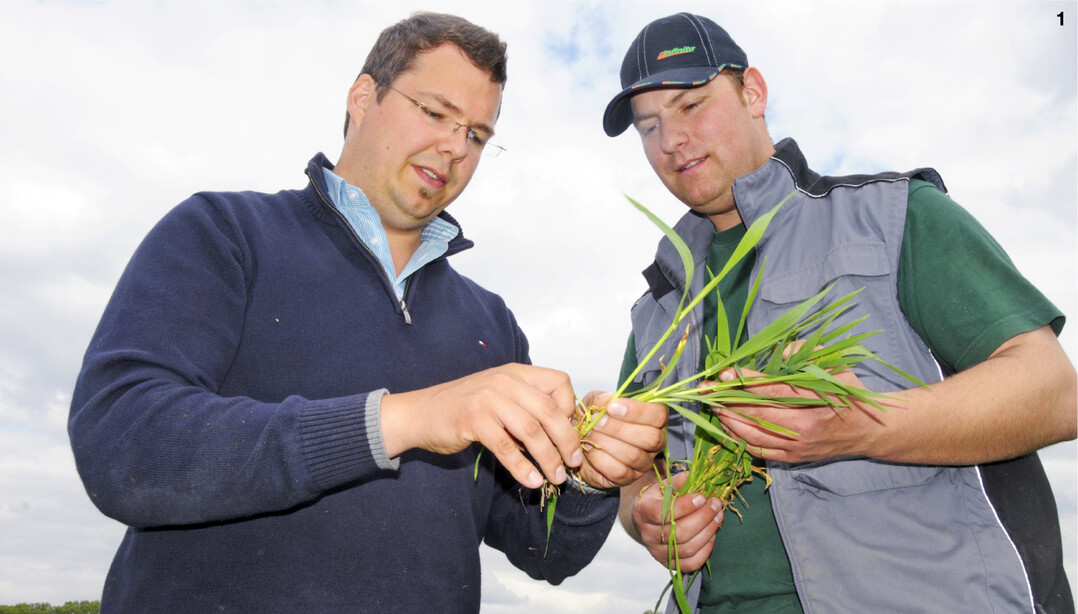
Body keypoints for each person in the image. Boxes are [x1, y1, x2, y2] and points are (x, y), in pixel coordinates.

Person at [68, 12, 667, 613]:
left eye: (477, 135)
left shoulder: (491, 324)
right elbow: (121, 445)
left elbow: (542, 549)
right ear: (363, 97)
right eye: (435, 113)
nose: (455, 147)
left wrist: (590, 473)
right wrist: (404, 419)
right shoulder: (224, 234)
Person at [602, 12, 1076, 614]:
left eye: (691, 105)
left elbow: (1054, 391)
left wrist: (863, 425)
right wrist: (648, 514)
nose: (670, 141)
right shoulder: (658, 306)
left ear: (753, 91)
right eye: (649, 126)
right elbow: (635, 476)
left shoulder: (896, 215)